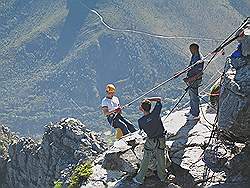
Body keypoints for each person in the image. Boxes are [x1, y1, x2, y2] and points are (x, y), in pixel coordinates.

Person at [133, 97, 171, 185]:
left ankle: (139, 178)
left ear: (141, 109)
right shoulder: (155, 113)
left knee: (146, 157)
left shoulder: (141, 121)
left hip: (151, 141)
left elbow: (143, 130)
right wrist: (148, 99)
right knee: (161, 156)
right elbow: (159, 99)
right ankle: (162, 176)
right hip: (161, 138)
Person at [183, 43, 204, 121]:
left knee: (194, 97)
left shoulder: (199, 59)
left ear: (195, 49)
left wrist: (189, 79)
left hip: (194, 81)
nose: (190, 51)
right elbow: (191, 67)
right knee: (191, 96)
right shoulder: (194, 56)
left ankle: (195, 114)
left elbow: (199, 73)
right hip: (191, 80)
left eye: (191, 49)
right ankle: (192, 111)